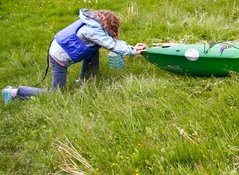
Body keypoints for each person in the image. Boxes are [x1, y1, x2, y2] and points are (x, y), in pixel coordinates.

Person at [3, 8, 147, 105]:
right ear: (108, 25)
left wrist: (132, 47)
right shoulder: (91, 30)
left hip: (58, 49)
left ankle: (86, 80)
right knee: (56, 93)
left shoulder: (93, 24)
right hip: (58, 59)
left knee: (94, 49)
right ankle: (14, 92)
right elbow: (111, 44)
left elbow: (107, 40)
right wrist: (133, 51)